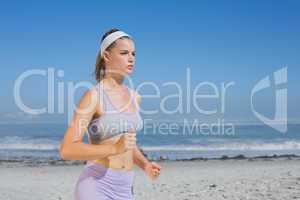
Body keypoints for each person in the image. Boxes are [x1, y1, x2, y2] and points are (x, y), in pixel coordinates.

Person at [60, 28, 162, 200]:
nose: (131, 59)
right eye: (124, 53)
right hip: (96, 185)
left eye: (133, 54)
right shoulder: (94, 96)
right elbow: (67, 149)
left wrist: (145, 164)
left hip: (125, 188)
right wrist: (114, 149)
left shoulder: (135, 97)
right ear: (106, 56)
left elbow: (127, 143)